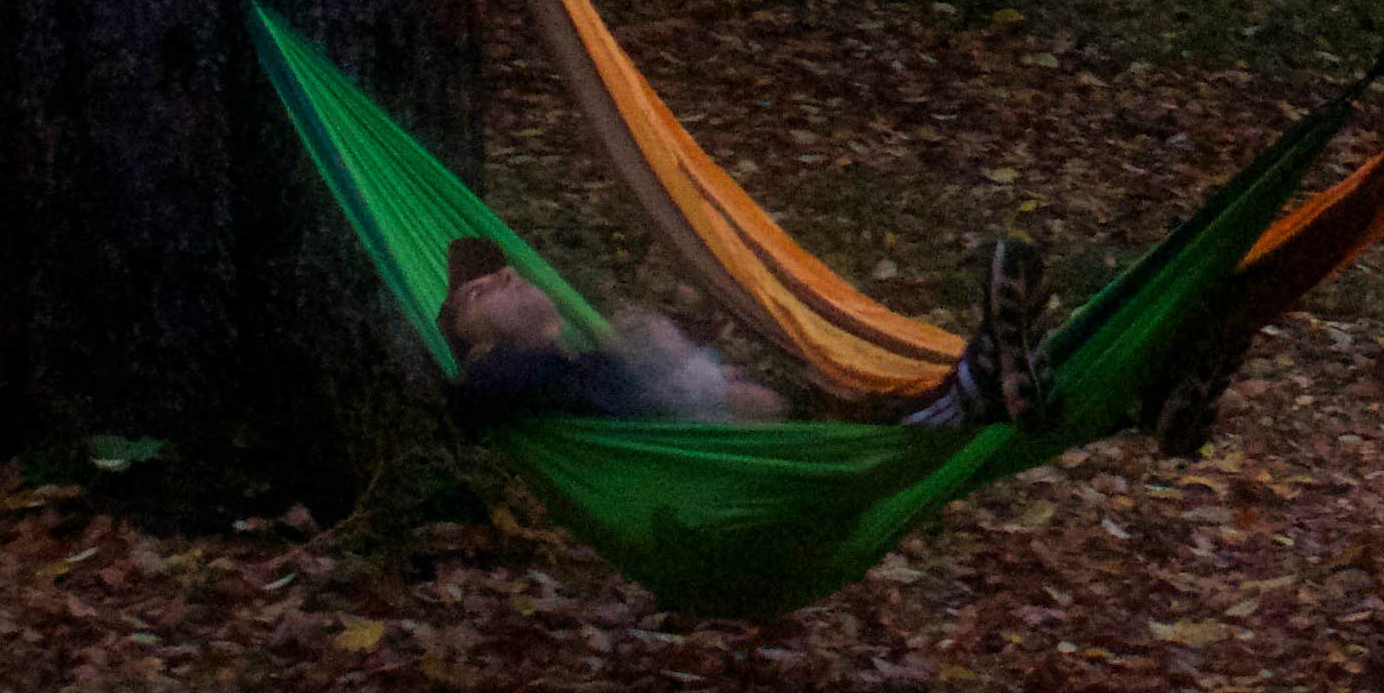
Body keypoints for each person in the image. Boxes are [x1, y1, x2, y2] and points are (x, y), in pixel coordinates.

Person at [433, 237, 1059, 431]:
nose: (506, 274)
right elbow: (469, 400)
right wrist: (661, 359)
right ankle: (972, 391)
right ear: (479, 345)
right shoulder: (499, 377)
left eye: (503, 269)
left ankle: (978, 381)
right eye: (480, 291)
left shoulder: (562, 368)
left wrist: (681, 353)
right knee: (843, 420)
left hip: (750, 420)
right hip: (721, 454)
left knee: (833, 399)